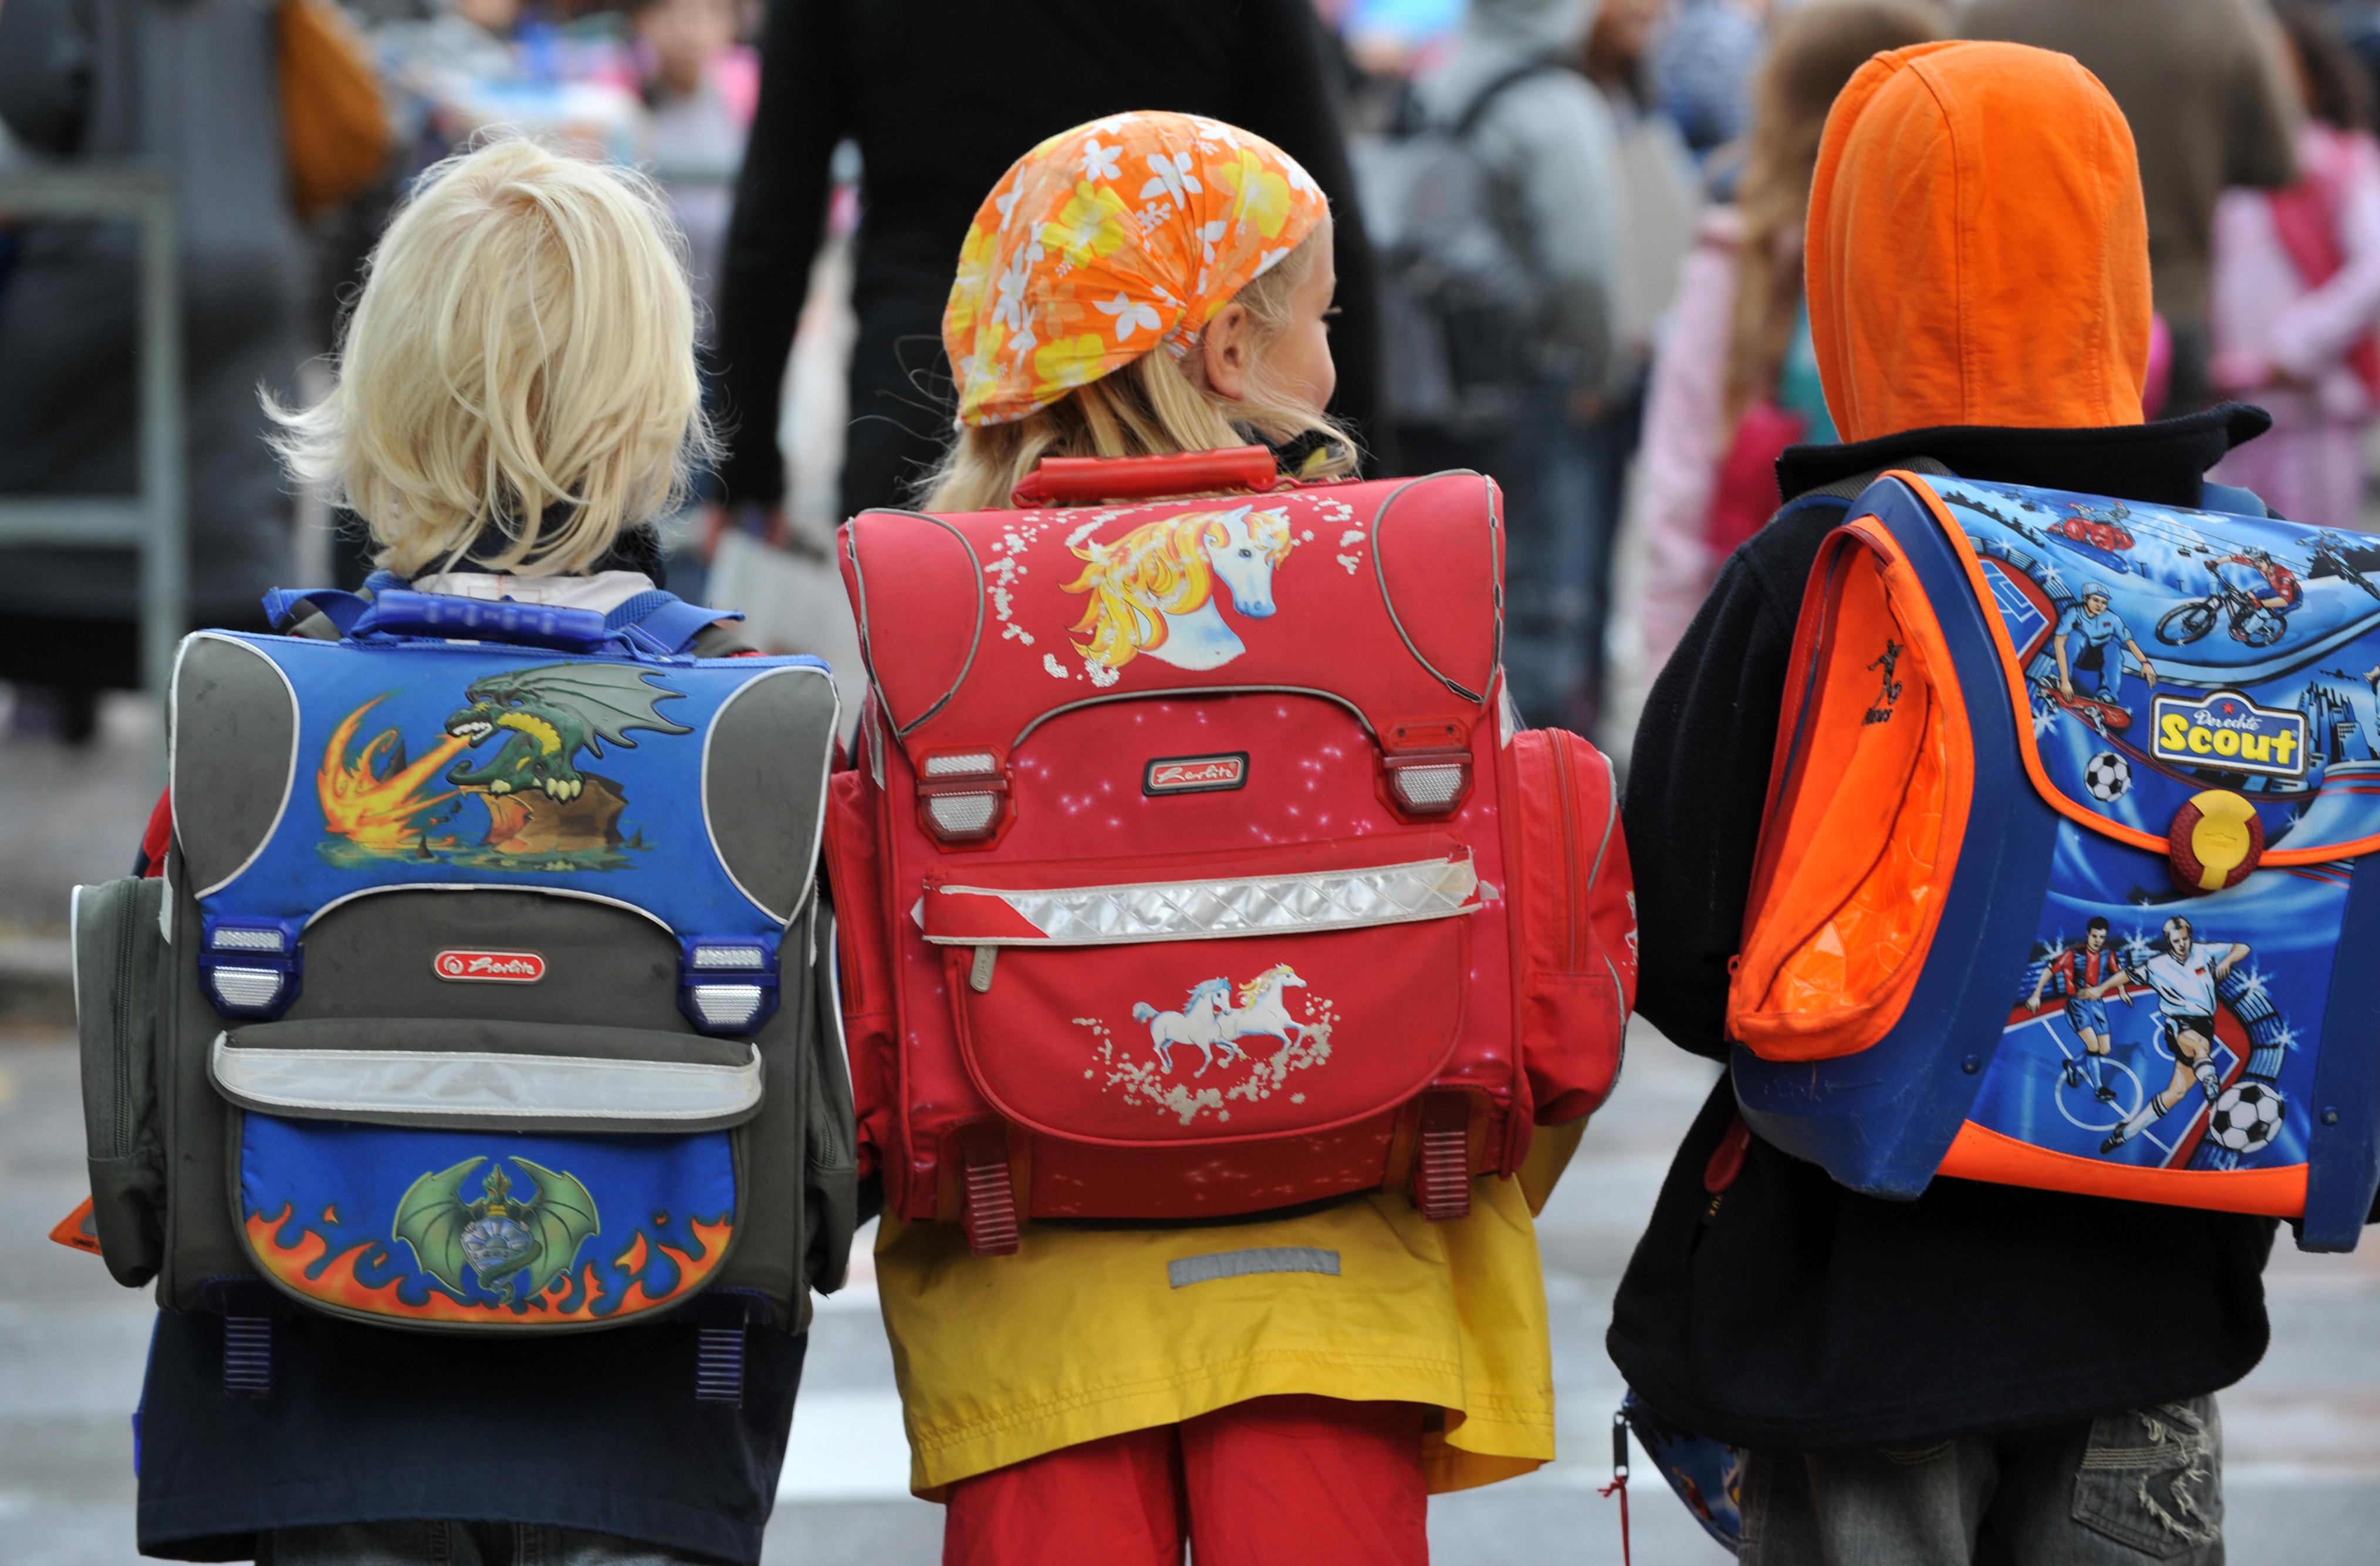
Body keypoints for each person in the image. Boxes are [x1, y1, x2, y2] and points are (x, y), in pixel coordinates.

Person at [889, 112, 1593, 1566]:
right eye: (1320, 318)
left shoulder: (939, 623)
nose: (1334, 358)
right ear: (1223, 348)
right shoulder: (1401, 597)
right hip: (1339, 1292)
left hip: (1034, 1314)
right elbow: (1538, 996)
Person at [1615, 41, 2282, 1562]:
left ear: (1848, 268)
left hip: (1860, 1316)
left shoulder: (1824, 566)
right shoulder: (2221, 574)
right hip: (2153, 1304)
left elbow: (1674, 931)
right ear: (2119, 268)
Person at [130, 139, 803, 1566]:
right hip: (655, 1405)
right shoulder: (749, 717)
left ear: (379, 391)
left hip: (300, 1387)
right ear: (653, 410)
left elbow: (152, 1070)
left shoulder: (260, 706)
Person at [713, 0, 1386, 528]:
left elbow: (776, 214)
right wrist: (1371, 492)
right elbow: (1320, 224)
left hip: (930, 411)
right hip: (1207, 411)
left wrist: (744, 473)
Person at [0, 0, 307, 740]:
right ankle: (218, 782)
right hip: (255, 244)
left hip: (105, 251)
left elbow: (35, 93)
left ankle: (59, 679)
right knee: (225, 499)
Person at [1627, 0, 1945, 690]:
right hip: (1925, 650)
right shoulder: (1953, 265)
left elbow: (1677, 493)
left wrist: (1672, 682)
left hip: (1765, 654)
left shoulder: (1735, 257)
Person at [1410, 0, 1630, 731]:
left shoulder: (1434, 80)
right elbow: (1584, 268)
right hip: (1530, 382)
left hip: (1435, 379)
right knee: (1539, 595)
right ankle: (1549, 794)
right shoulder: (1555, 103)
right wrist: (1600, 371)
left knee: (1449, 596)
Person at [1962, 0, 2301, 414]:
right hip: (2170, 301)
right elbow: (2278, 160)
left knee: (2018, 477)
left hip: (2018, 313)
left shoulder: (1983, 14)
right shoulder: (2223, 14)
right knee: (2166, 474)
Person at [2210, 0, 2380, 532]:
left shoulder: (2337, 160)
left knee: (2316, 556)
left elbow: (2373, 268)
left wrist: (2292, 348)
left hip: (2313, 407)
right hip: (2230, 405)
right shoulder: (2222, 165)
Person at [2104, 918, 2251, 1153]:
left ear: (2189, 935)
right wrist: (2100, 989)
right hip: (2179, 1023)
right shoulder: (2159, 966)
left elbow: (2242, 947)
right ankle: (2210, 1079)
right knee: (2199, 1047)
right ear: (2169, 942)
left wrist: (2228, 960)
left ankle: (2126, 1133)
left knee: (2177, 1092)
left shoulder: (2205, 952)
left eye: (2185, 938)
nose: (2182, 944)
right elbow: (2127, 975)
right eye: (2176, 941)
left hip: (2205, 1022)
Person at [2025, 916, 2126, 1101]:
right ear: (2088, 934)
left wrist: (2121, 990)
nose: (2098, 941)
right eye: (2095, 936)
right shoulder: (2072, 954)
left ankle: (2072, 1065)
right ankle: (2099, 1089)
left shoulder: (2107, 954)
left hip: (2097, 1005)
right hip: (2077, 1005)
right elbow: (2049, 970)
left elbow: (2119, 973)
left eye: (2102, 937)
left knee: (2104, 1049)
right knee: (2093, 1046)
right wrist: (2036, 994)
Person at [2053, 583, 2158, 706]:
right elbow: (2059, 643)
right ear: (2086, 599)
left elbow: (2129, 641)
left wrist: (2145, 663)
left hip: (2096, 660)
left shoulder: (2112, 619)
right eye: (2095, 600)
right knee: (2077, 636)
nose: (2100, 606)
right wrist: (2065, 681)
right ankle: (2057, 679)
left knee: (2113, 647)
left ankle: (2107, 695)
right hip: (2077, 655)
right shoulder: (2074, 612)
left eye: (2104, 602)